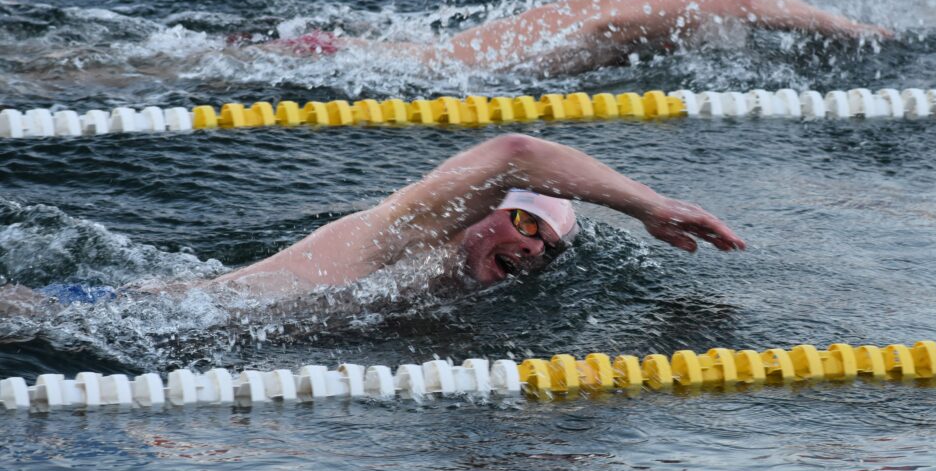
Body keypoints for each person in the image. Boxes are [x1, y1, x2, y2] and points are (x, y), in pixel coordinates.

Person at [217, 133, 745, 295]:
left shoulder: (444, 290)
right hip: (177, 326)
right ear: (482, 210)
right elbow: (515, 154)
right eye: (527, 223)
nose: (536, 247)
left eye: (549, 246)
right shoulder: (407, 234)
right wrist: (648, 206)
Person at [259, 0, 891, 76]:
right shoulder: (669, 11)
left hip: (435, 55)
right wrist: (853, 29)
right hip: (462, 74)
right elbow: (748, 0)